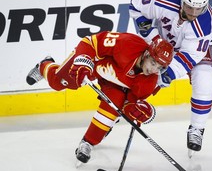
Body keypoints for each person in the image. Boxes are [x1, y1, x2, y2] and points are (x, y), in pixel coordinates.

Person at [26, 31, 173, 163]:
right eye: (153, 63)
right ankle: (44, 65)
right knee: (58, 83)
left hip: (114, 84)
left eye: (159, 67)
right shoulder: (128, 44)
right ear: (147, 54)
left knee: (113, 105)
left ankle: (88, 143)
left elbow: (129, 101)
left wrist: (134, 110)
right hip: (95, 64)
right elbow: (90, 42)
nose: (153, 69)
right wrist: (83, 60)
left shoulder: (150, 80)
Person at [129, 0, 212, 153]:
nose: (193, 13)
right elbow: (135, 6)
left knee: (205, 79)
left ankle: (197, 129)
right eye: (190, 7)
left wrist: (166, 74)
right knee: (135, 76)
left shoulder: (204, 22)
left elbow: (190, 56)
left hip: (191, 52)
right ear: (182, 1)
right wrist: (152, 38)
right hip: (162, 44)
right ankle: (115, 113)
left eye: (199, 8)